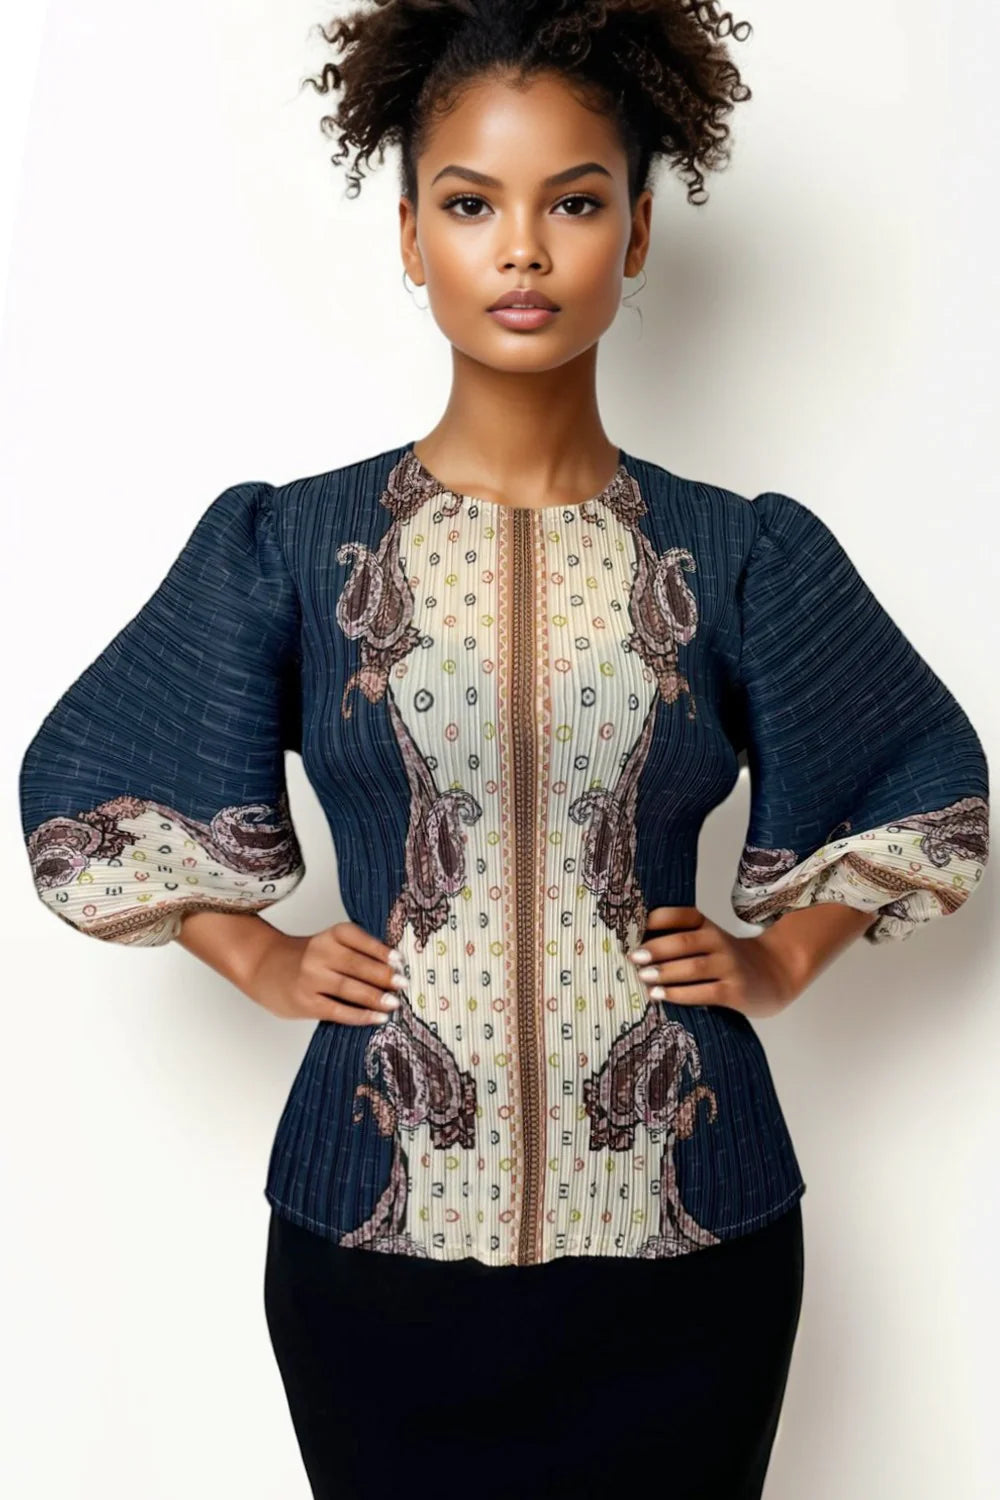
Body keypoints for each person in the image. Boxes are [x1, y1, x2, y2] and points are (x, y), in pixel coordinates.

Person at [17, 2, 990, 1497]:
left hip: (691, 1241)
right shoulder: (295, 548)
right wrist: (257, 953)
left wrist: (785, 959)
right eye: (472, 205)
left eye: (575, 204)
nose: (522, 251)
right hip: (374, 1243)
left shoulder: (738, 556)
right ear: (411, 236)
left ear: (639, 232)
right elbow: (94, 784)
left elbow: (921, 784)